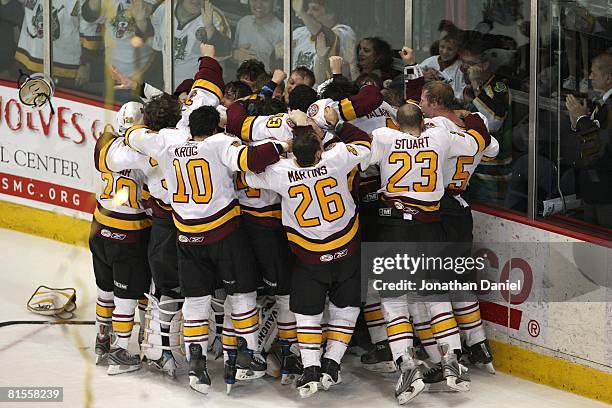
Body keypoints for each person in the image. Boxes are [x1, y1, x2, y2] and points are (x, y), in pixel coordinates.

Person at [366, 98, 493, 403]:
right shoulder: (439, 136)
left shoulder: (385, 137)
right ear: (423, 123)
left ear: (396, 124)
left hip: (395, 228)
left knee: (394, 302)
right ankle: (451, 362)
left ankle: (408, 367)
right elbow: (479, 141)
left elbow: (360, 154)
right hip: (431, 228)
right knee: (437, 299)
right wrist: (474, 116)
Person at [245, 107, 370, 397]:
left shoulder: (282, 173)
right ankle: (333, 363)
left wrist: (281, 149)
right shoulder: (336, 159)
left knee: (307, 313)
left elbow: (249, 175)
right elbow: (364, 143)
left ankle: (311, 367)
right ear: (318, 153)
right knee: (346, 308)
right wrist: (330, 127)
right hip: (346, 250)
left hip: (310, 257)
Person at [460, 40, 512, 206]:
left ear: (484, 65)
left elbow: (494, 122)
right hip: (470, 164)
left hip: (493, 167)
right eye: (464, 63)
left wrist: (476, 85)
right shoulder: (465, 83)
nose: (465, 68)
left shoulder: (499, 87)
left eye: (471, 64)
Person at [565, 52, 612, 228]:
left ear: (608, 78)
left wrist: (582, 120)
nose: (590, 77)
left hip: (606, 192)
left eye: (593, 73)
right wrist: (576, 121)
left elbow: (600, 148)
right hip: (594, 189)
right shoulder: (602, 102)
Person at [151, 0, 231, 90]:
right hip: (165, 84)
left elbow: (224, 53)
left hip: (194, 87)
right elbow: (157, 46)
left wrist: (210, 28)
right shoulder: (164, 8)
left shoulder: (214, 16)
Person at [292, 0, 357, 81]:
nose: (308, 13)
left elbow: (327, 38)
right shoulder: (300, 32)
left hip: (322, 91)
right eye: (308, 9)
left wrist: (302, 13)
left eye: (315, 9)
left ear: (331, 14)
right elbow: (278, 56)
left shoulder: (344, 31)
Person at [232, 0, 283, 70]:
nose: (258, 5)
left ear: (274, 3)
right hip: (241, 79)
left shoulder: (282, 30)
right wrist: (234, 54)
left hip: (266, 79)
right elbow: (232, 57)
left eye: (265, 1)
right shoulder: (243, 22)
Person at [419, 35, 465, 100]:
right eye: (442, 47)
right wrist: (423, 76)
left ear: (457, 51)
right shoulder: (431, 61)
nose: (445, 51)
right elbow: (414, 76)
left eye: (450, 49)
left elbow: (459, 94)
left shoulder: (460, 68)